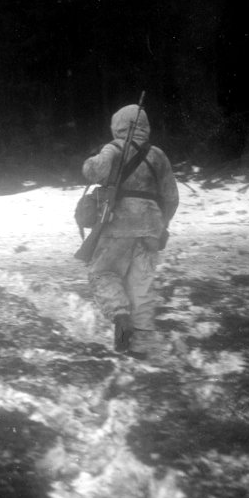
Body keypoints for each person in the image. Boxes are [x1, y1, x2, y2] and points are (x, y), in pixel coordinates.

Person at [81, 104, 179, 358]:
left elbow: (94, 171)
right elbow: (171, 197)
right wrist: (160, 225)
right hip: (151, 229)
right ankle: (142, 345)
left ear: (118, 126)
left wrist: (92, 160)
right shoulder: (158, 155)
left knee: (103, 273)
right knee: (141, 285)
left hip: (118, 225)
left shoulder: (113, 149)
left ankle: (120, 317)